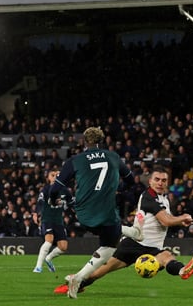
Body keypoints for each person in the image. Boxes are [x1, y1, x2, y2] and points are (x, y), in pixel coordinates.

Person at [54, 165, 193, 295]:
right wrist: (182, 217)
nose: (160, 183)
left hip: (153, 248)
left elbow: (165, 220)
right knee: (100, 271)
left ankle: (183, 271)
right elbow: (165, 220)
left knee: (167, 257)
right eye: (157, 179)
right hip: (134, 244)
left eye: (164, 180)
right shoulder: (148, 197)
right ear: (150, 181)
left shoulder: (164, 199)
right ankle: (75, 285)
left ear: (168, 182)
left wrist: (179, 221)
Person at [48, 126, 143, 299]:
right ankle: (78, 278)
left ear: (84, 141)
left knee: (111, 233)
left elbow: (56, 188)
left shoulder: (75, 160)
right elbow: (130, 180)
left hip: (83, 213)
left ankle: (135, 233)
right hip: (106, 212)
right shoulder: (113, 157)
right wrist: (119, 189)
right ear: (102, 141)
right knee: (109, 246)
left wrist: (53, 199)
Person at [32, 167, 72, 273]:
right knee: (49, 240)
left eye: (56, 175)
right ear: (48, 178)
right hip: (47, 219)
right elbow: (40, 202)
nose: (55, 177)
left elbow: (72, 203)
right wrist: (36, 213)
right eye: (52, 175)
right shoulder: (45, 189)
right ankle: (38, 267)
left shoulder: (65, 191)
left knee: (63, 247)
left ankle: (48, 258)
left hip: (58, 221)